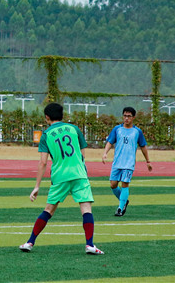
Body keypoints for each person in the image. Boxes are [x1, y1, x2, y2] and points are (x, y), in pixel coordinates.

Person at [19, 102, 104, 255]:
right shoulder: (74, 129)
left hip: (60, 176)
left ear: (47, 117)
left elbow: (43, 162)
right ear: (62, 115)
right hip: (79, 174)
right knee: (86, 209)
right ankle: (90, 245)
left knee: (48, 210)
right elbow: (82, 155)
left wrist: (37, 186)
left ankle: (30, 242)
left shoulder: (46, 135)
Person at [101, 106, 152, 216]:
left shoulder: (137, 131)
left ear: (133, 117)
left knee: (125, 184)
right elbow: (110, 142)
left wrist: (148, 161)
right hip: (117, 162)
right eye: (125, 116)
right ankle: (124, 201)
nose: (126, 118)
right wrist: (105, 153)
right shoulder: (117, 129)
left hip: (129, 163)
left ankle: (120, 208)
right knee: (113, 184)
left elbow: (143, 146)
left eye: (129, 116)